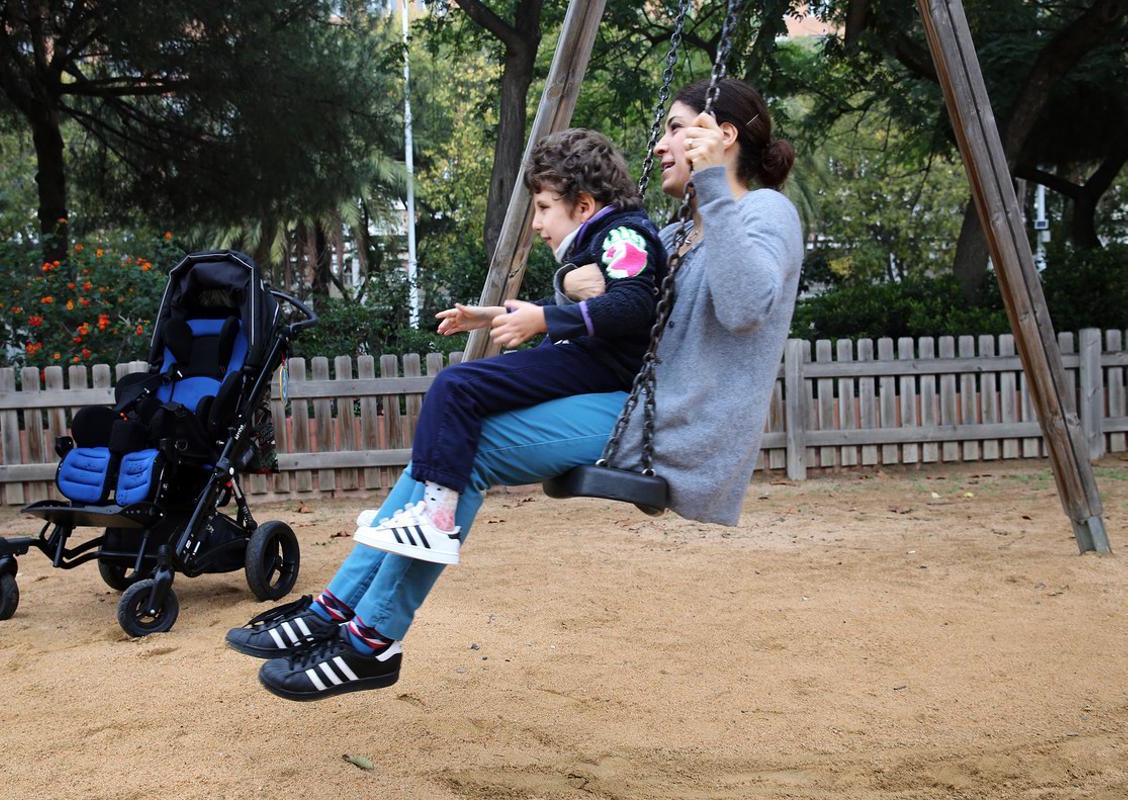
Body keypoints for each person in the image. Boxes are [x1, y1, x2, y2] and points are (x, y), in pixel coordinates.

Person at [225, 77, 802, 701]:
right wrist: (550, 298)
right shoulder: (673, 234)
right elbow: (609, 302)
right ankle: (339, 613)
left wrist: (712, 184)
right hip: (623, 398)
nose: (661, 145)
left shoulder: (764, 211)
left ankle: (369, 639)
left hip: (668, 423)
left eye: (676, 128)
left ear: (723, 136)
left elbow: (747, 307)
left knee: (469, 443)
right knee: (456, 433)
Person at [352, 128, 665, 567]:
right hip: (590, 363)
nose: (536, 224)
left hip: (603, 370)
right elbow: (600, 305)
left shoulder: (624, 237)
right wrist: (494, 314)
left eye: (542, 208)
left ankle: (435, 520)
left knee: (458, 386)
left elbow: (633, 303)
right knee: (466, 390)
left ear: (584, 205)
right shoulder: (611, 236)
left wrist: (543, 320)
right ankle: (419, 512)